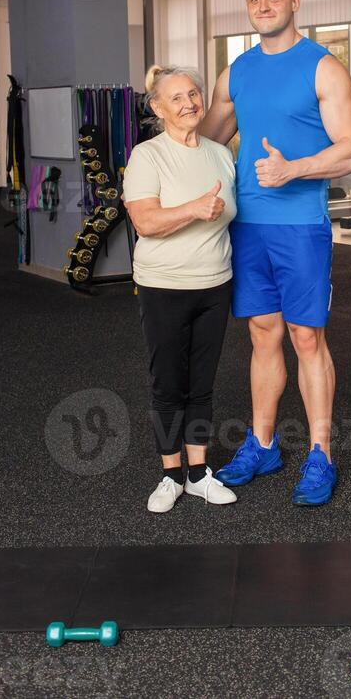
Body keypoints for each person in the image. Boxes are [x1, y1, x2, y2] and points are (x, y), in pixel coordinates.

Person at [200, 0, 351, 506]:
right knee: (262, 334)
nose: (263, 5)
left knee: (305, 337)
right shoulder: (237, 73)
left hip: (300, 226)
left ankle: (320, 454)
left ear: (296, 1)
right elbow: (204, 143)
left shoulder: (323, 68)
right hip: (248, 226)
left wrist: (293, 169)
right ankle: (263, 444)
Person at [123, 65, 238, 513]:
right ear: (157, 108)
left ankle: (198, 473)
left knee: (202, 385)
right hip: (164, 286)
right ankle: (170, 475)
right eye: (177, 98)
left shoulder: (219, 153)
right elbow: (146, 223)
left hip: (215, 285)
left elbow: (234, 217)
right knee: (169, 384)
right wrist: (193, 208)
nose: (189, 103)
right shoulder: (147, 156)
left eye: (194, 94)